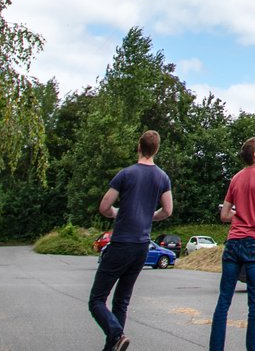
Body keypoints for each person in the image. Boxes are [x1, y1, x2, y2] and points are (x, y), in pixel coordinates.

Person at [89, 130, 173, 351]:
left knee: (97, 300)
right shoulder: (162, 177)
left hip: (121, 243)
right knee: (121, 301)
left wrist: (116, 213)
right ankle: (114, 345)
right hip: (141, 247)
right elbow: (167, 210)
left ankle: (116, 334)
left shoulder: (125, 174)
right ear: (157, 149)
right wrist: (149, 216)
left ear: (139, 146)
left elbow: (104, 207)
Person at [210, 137, 255, 351]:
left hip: (233, 242)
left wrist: (241, 214)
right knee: (254, 303)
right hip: (254, 243)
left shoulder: (236, 178)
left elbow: (224, 214)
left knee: (224, 301)